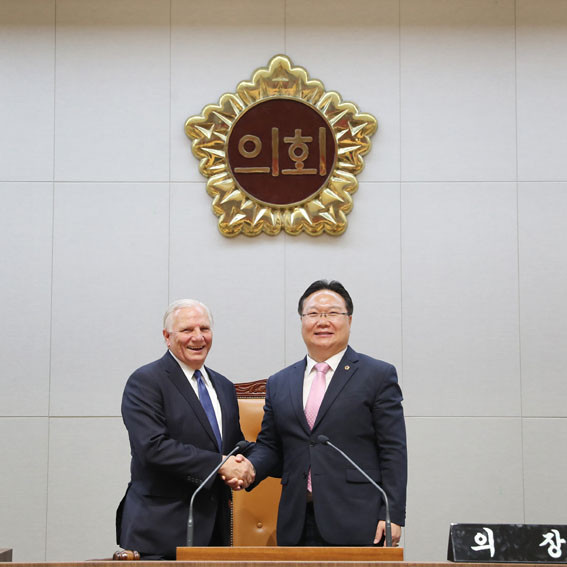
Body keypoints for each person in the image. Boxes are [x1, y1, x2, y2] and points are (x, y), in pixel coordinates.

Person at [247, 280, 407, 547]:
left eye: (332, 313)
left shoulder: (377, 375)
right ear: (302, 321)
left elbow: (393, 450)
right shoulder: (280, 382)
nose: (322, 321)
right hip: (296, 520)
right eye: (313, 314)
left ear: (349, 320)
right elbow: (271, 446)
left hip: (360, 519)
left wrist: (392, 513)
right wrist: (249, 468)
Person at [116, 299, 255, 559]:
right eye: (187, 330)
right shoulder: (146, 381)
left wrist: (257, 462)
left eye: (204, 329)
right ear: (167, 337)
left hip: (215, 531)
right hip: (159, 531)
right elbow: (152, 447)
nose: (198, 337)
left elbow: (234, 446)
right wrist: (220, 464)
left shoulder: (223, 386)